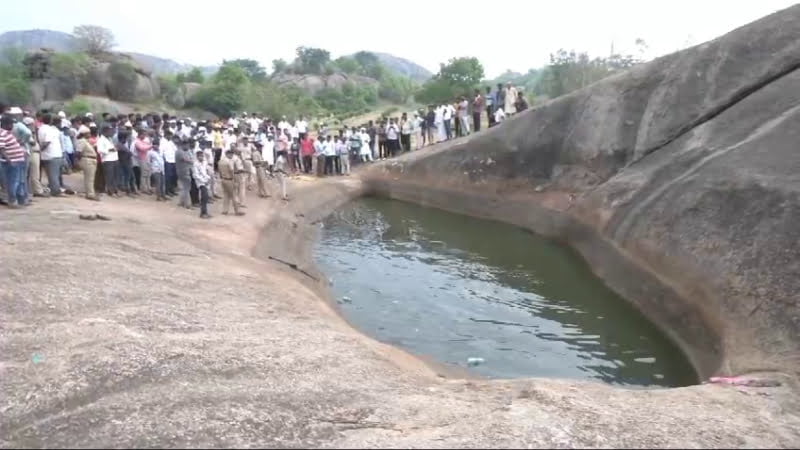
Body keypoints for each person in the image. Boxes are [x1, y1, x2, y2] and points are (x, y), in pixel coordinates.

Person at [0, 116, 28, 208]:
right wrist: (9, 160)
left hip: (18, 160)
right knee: (13, 182)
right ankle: (12, 201)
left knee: (18, 181)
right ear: (5, 124)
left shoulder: (8, 133)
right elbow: (2, 149)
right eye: (11, 124)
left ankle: (20, 200)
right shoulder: (2, 134)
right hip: (12, 161)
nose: (12, 125)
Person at [37, 113, 64, 196]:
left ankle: (54, 189)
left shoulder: (41, 128)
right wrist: (40, 150)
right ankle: (56, 191)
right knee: (54, 175)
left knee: (51, 175)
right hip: (53, 154)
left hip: (48, 155)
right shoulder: (48, 129)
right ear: (50, 120)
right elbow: (46, 142)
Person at [74, 125, 98, 201]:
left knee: (90, 178)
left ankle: (90, 193)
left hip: (90, 159)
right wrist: (77, 161)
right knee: (89, 178)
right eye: (88, 133)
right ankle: (90, 194)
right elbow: (78, 152)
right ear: (84, 134)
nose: (90, 134)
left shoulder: (86, 141)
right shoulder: (82, 141)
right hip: (87, 159)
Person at [218, 148, 244, 216]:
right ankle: (237, 211)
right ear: (227, 154)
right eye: (231, 154)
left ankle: (225, 210)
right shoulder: (229, 162)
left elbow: (219, 171)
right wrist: (234, 180)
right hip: (229, 179)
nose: (232, 156)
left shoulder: (220, 161)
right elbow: (231, 171)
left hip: (223, 179)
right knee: (234, 195)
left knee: (226, 195)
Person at [97, 125, 119, 197]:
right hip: (107, 159)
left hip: (114, 158)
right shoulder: (101, 140)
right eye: (110, 131)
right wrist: (109, 150)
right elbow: (99, 150)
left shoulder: (110, 138)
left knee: (115, 176)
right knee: (109, 176)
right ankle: (110, 191)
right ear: (105, 131)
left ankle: (115, 190)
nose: (111, 132)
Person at [193, 150, 212, 219]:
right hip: (200, 182)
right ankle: (203, 213)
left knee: (206, 197)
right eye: (199, 156)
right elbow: (196, 175)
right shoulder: (195, 164)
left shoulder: (204, 162)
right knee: (204, 196)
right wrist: (204, 180)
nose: (201, 157)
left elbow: (205, 172)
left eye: (202, 156)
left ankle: (205, 212)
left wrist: (208, 178)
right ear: (197, 157)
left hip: (206, 181)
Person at [175, 139, 193, 208]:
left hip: (181, 171)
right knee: (186, 188)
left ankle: (181, 202)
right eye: (187, 145)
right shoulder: (180, 152)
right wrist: (192, 161)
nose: (188, 147)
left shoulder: (180, 151)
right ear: (184, 145)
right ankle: (187, 204)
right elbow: (185, 160)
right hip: (184, 171)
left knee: (183, 187)